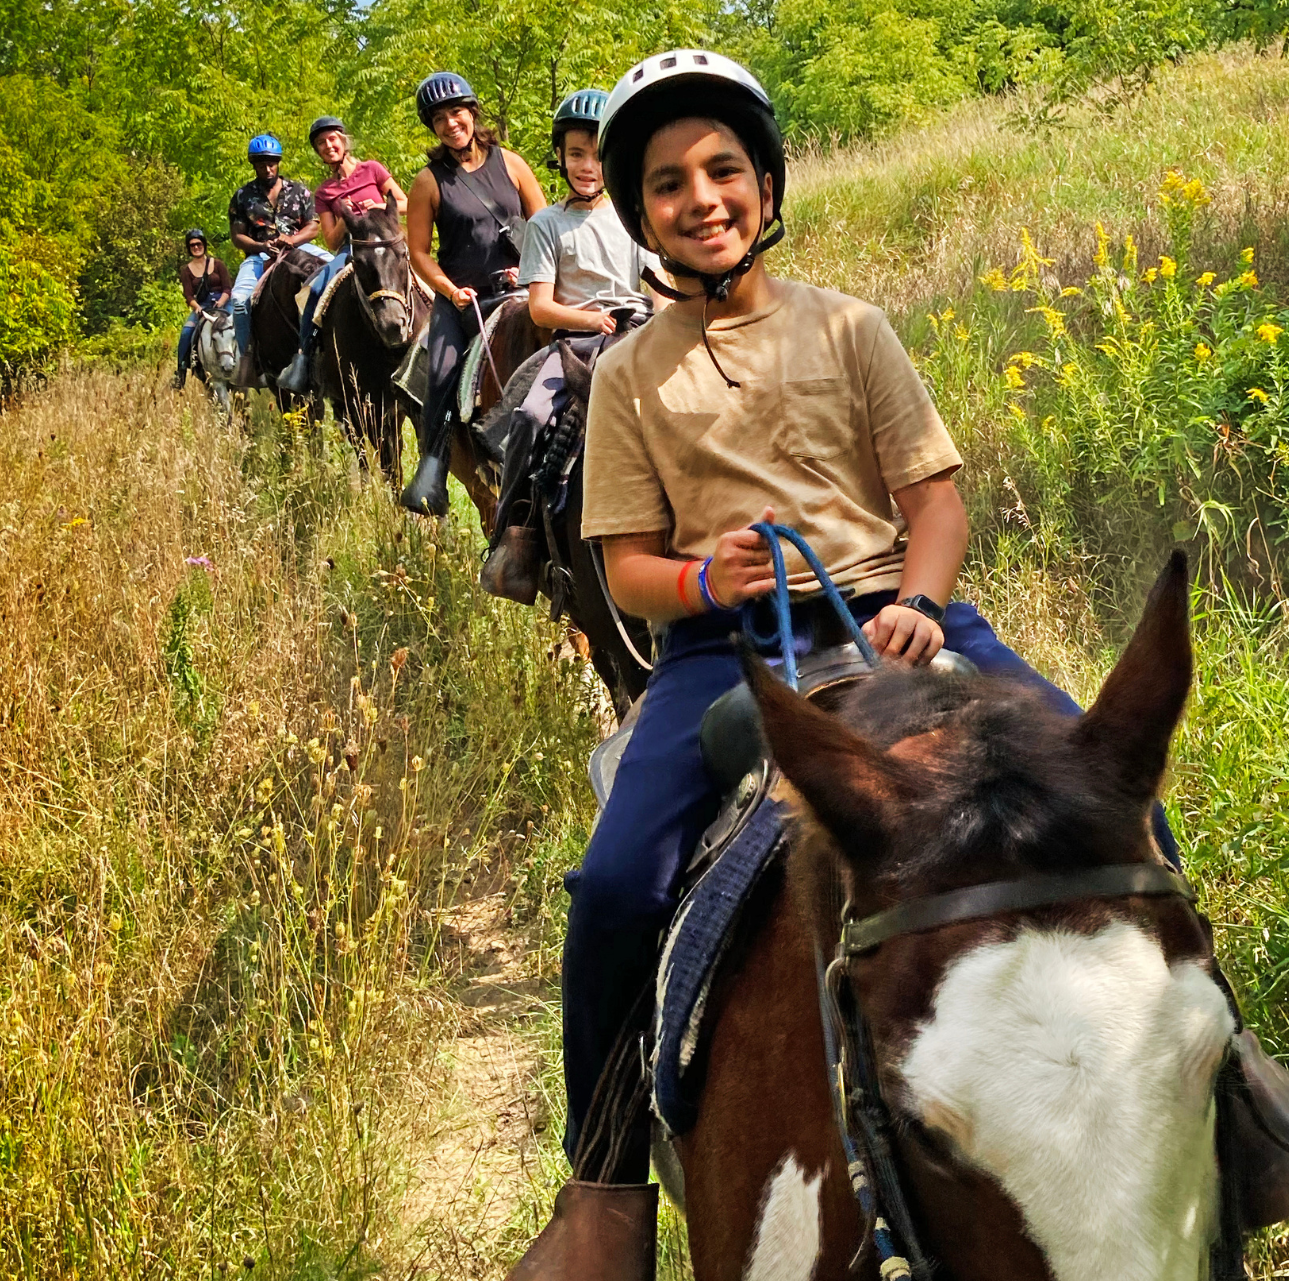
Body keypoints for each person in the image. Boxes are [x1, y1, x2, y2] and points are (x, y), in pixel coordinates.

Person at [504, 48, 1185, 1275]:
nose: (700, 198)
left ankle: (1206, 1077)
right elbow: (627, 573)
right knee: (615, 886)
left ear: (766, 186)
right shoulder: (627, 377)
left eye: (723, 170)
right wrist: (710, 582)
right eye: (667, 182)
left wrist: (923, 604)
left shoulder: (852, 328)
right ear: (639, 209)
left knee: (1110, 787)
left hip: (896, 616)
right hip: (722, 653)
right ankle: (604, 1191)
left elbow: (934, 503)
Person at [400, 71, 548, 515]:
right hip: (463, 298)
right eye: (440, 118)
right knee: (442, 372)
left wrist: (532, 267)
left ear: (472, 113)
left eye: (457, 112)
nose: (451, 123)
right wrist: (449, 289)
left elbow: (542, 224)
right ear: (433, 127)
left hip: (522, 288)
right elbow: (419, 253)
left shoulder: (512, 163)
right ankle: (433, 470)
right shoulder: (429, 181)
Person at [277, 116, 411, 393]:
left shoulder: (372, 169)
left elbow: (405, 202)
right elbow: (330, 238)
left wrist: (375, 204)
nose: (328, 146)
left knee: (420, 278)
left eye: (332, 140)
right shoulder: (325, 191)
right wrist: (345, 217)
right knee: (315, 291)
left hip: (386, 244)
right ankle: (304, 359)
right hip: (351, 250)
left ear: (343, 140)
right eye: (321, 144)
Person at [518, 89, 662, 337]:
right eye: (576, 154)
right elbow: (540, 308)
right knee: (537, 378)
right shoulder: (545, 224)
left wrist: (666, 318)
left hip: (636, 328)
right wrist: (593, 320)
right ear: (559, 155)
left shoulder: (632, 215)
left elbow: (659, 285)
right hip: (576, 339)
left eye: (599, 157)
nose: (587, 167)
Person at [226, 133, 329, 375]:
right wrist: (261, 246)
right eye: (262, 163)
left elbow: (313, 227)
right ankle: (248, 359)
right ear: (254, 164)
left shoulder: (299, 191)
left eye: (271, 162)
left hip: (299, 248)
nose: (268, 168)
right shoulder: (243, 196)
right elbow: (237, 236)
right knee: (239, 301)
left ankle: (335, 343)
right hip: (259, 255)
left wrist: (292, 240)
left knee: (339, 273)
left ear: (278, 162)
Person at [172, 229, 229, 390]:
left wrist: (221, 302)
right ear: (189, 248)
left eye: (198, 243)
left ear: (204, 244)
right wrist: (197, 308)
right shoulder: (186, 270)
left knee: (237, 324)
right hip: (202, 305)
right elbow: (189, 296)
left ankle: (250, 363)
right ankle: (181, 371)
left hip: (222, 301)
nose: (196, 247)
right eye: (192, 245)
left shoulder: (218, 264)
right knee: (186, 332)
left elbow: (227, 288)